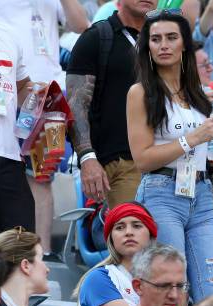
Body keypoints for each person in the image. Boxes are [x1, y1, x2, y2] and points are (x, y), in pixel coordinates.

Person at [127, 8, 213, 303]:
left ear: (185, 44)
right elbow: (143, 160)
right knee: (173, 292)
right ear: (147, 46)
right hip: (161, 193)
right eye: (156, 39)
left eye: (172, 37)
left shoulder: (199, 93)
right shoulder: (140, 92)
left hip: (202, 192)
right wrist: (193, 138)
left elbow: (203, 148)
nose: (163, 45)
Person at [0, 0, 88, 258]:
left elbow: (80, 24)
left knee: (40, 176)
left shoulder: (12, 30)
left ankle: (41, 256)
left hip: (35, 110)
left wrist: (46, 102)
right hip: (8, 102)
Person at [67, 0, 158, 208]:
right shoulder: (95, 38)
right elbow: (76, 106)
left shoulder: (166, 39)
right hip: (120, 163)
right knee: (138, 237)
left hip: (167, 160)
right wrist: (87, 158)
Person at [73, 202, 158, 306]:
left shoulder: (161, 279)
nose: (129, 232)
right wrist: (155, 285)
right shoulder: (99, 279)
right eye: (120, 227)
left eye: (137, 226)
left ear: (151, 235)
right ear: (111, 239)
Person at [0, 22, 38, 233]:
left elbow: (21, 86)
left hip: (9, 158)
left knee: (21, 245)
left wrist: (41, 94)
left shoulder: (8, 33)